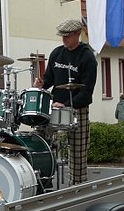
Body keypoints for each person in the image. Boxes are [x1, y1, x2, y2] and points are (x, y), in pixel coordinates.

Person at [34, 19, 97, 184]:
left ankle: (77, 184)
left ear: (78, 34)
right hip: (55, 107)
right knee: (40, 142)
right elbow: (49, 80)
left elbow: (87, 92)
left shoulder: (87, 57)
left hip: (77, 109)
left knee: (78, 151)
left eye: (67, 36)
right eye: (62, 37)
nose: (64, 40)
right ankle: (41, 179)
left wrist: (67, 104)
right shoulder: (57, 53)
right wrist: (41, 84)